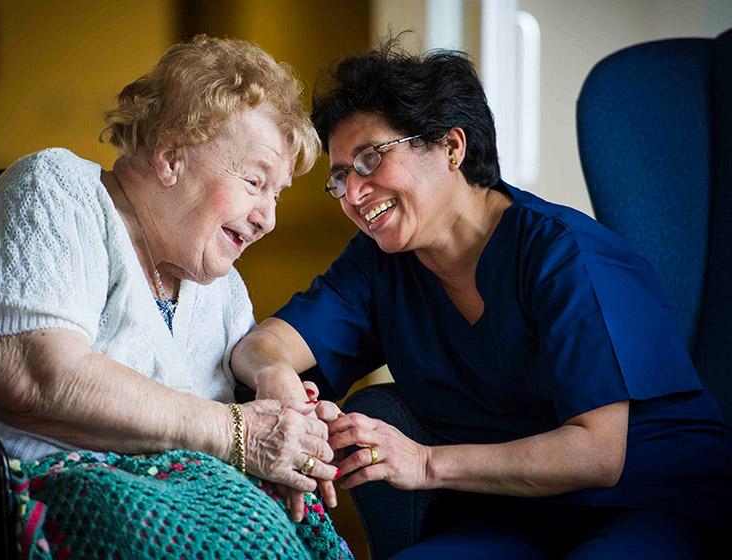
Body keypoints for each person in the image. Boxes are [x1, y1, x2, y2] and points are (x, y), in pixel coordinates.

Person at [231, 41, 732, 559]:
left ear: (451, 146)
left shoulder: (567, 257)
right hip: (514, 513)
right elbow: (263, 345)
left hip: (650, 505)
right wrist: (274, 377)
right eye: (341, 178)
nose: (354, 195)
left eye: (370, 159)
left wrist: (426, 463)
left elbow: (598, 454)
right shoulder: (378, 262)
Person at [0, 35, 353, 560]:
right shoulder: (56, 190)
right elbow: (35, 379)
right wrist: (240, 432)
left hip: (136, 490)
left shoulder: (221, 292)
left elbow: (237, 423)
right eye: (254, 181)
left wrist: (294, 434)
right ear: (171, 156)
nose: (267, 218)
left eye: (277, 195)